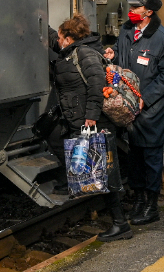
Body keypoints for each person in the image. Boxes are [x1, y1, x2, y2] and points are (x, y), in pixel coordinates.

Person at [103, 0, 164, 225]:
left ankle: (151, 205)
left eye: (136, 7)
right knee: (134, 156)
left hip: (150, 109)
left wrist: (145, 98)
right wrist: (111, 53)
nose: (131, 10)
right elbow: (121, 55)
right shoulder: (127, 30)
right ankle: (138, 200)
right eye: (132, 6)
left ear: (148, 11)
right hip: (128, 107)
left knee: (150, 156)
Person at [53, 14, 132, 242]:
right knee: (101, 170)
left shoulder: (84, 54)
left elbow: (97, 85)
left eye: (59, 37)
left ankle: (120, 224)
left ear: (68, 38)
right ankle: (118, 221)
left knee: (106, 171)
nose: (57, 42)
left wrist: (90, 116)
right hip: (80, 119)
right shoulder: (73, 53)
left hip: (95, 122)